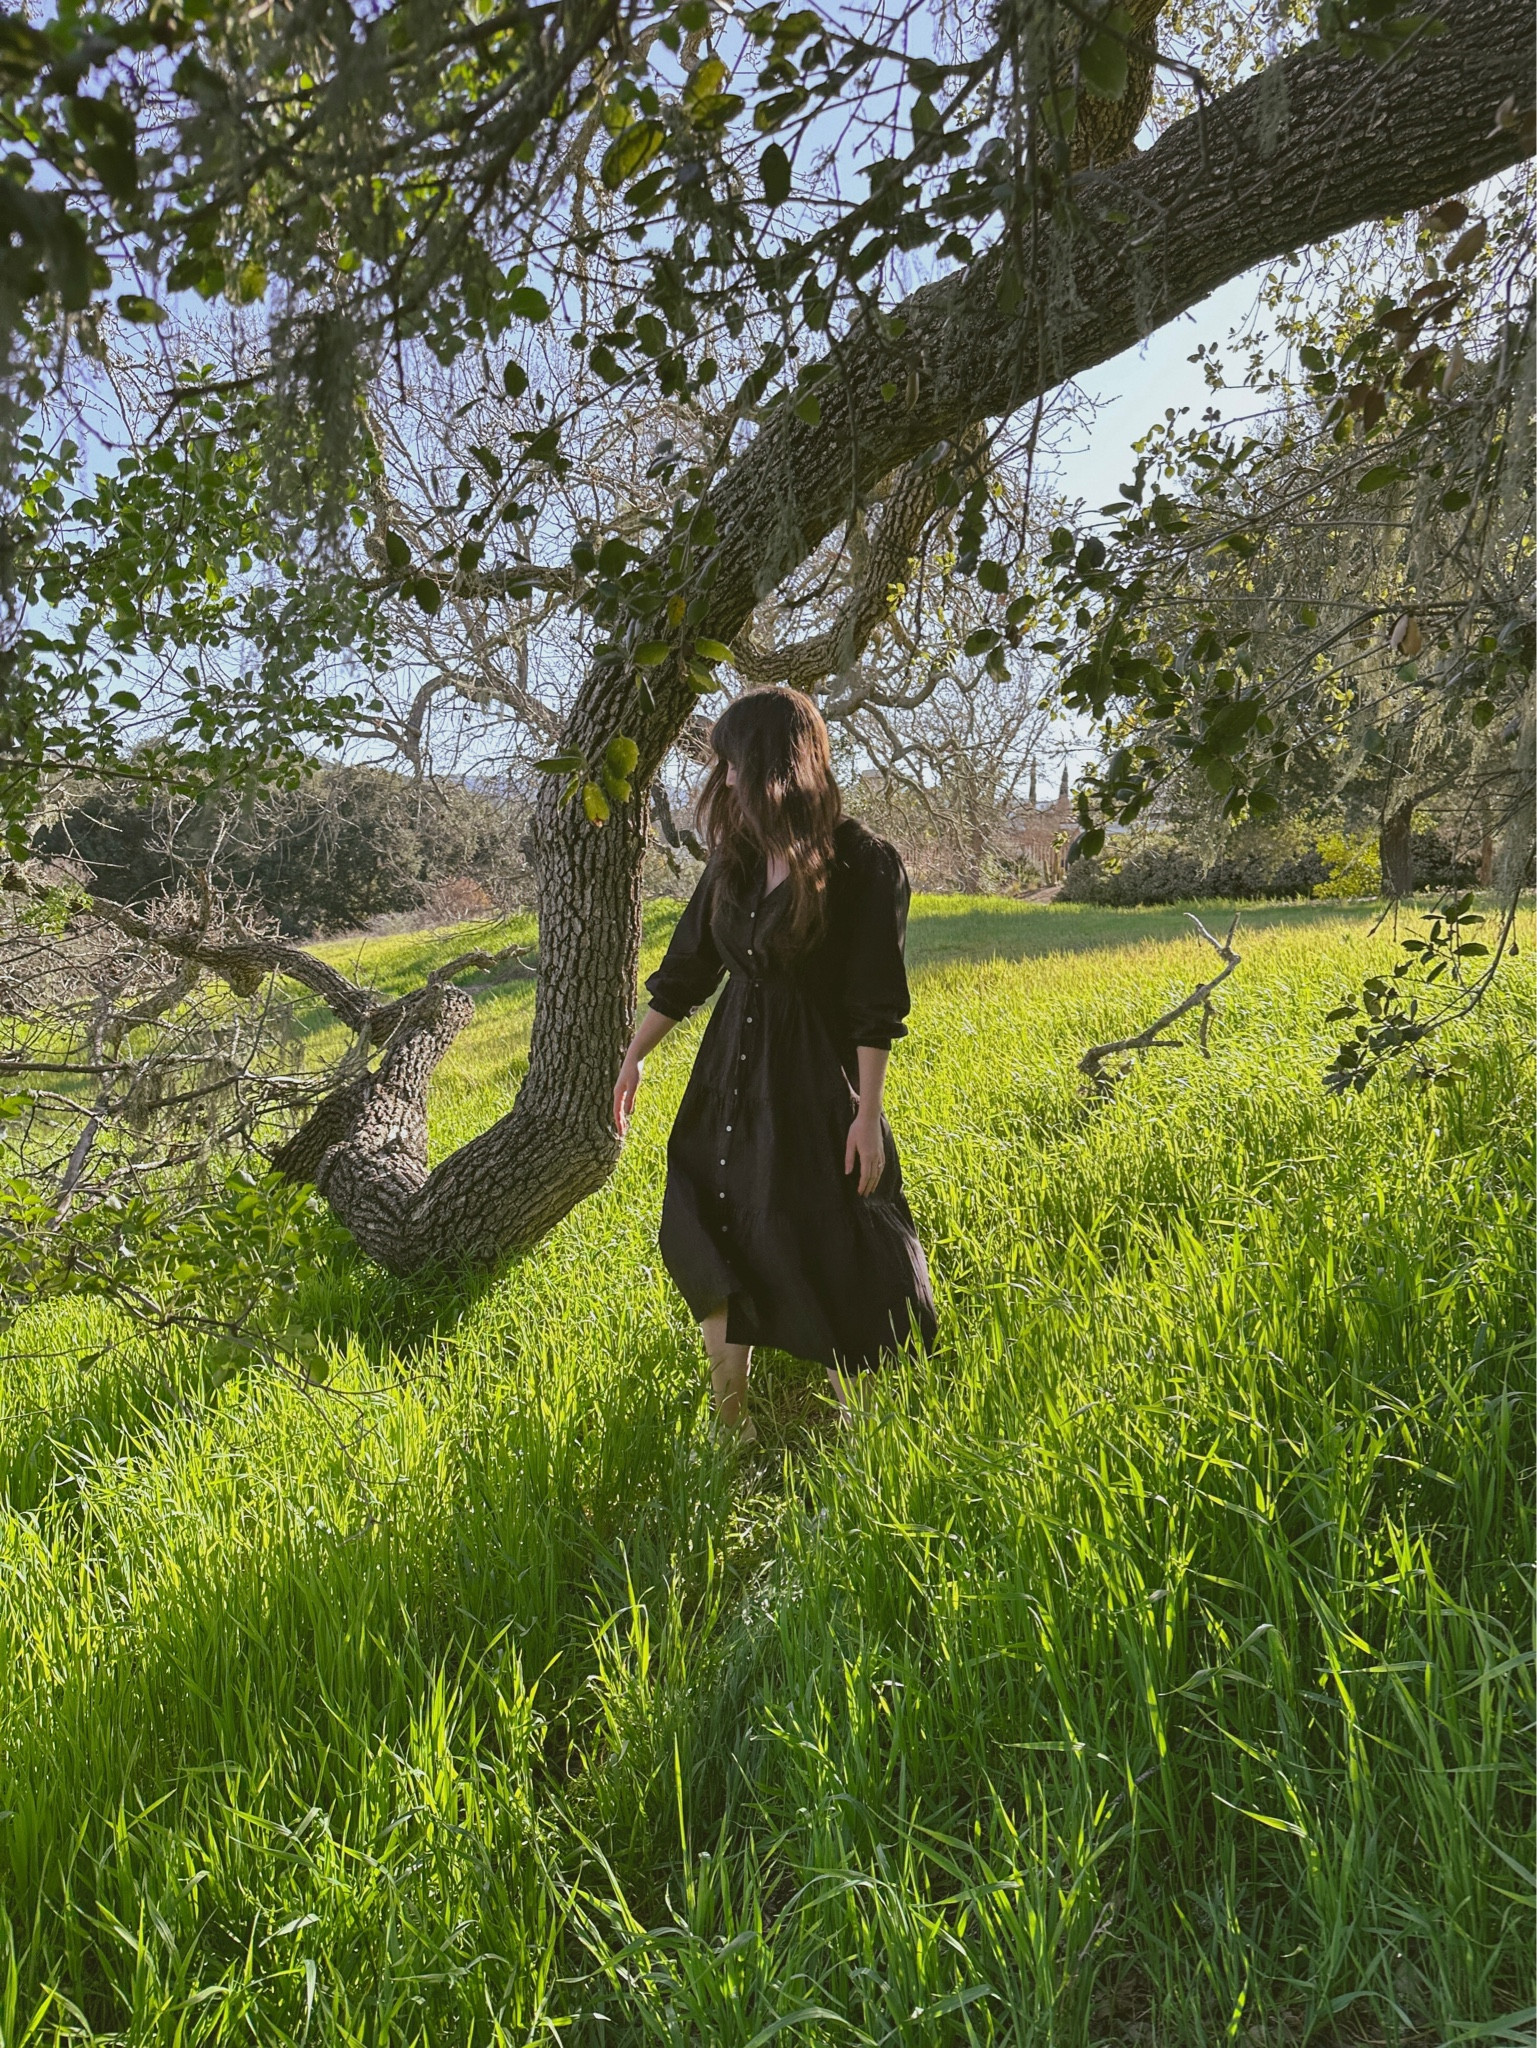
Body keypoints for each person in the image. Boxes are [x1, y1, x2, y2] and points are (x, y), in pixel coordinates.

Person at [613, 686, 938, 1441]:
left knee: (833, 1238)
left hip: (814, 1082)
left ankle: (865, 1440)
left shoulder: (864, 863)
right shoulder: (734, 861)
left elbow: (873, 1004)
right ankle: (732, 1431)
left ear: (769, 763)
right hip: (730, 1076)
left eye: (730, 762)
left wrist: (866, 1117)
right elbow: (688, 971)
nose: (722, 779)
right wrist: (634, 1057)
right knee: (712, 1225)